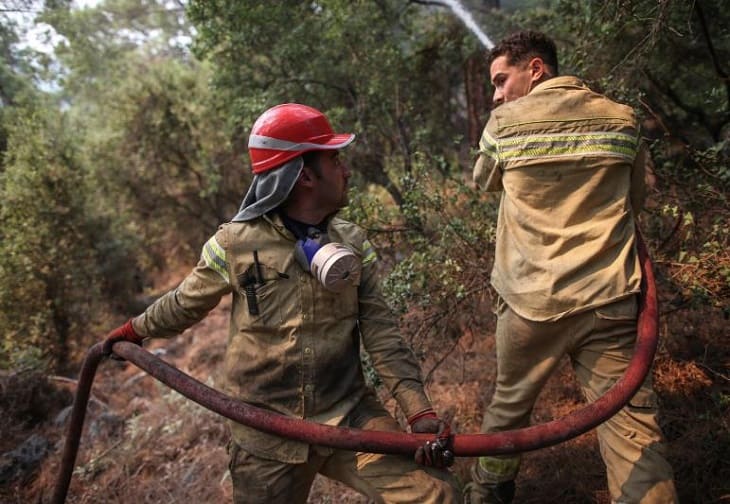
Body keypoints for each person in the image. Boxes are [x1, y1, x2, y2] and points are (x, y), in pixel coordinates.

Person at [103, 103, 460, 503]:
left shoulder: (353, 242)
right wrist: (131, 333)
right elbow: (185, 303)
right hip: (265, 430)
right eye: (335, 159)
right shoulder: (235, 244)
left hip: (349, 415)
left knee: (437, 495)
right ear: (305, 175)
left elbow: (382, 333)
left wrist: (419, 412)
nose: (346, 171)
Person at [464, 31, 678, 504]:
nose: (498, 94)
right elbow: (635, 202)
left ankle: (488, 494)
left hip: (528, 305)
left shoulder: (505, 122)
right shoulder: (623, 119)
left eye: (502, 80)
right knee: (632, 429)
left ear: (536, 69)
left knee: (508, 411)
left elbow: (484, 182)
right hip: (610, 301)